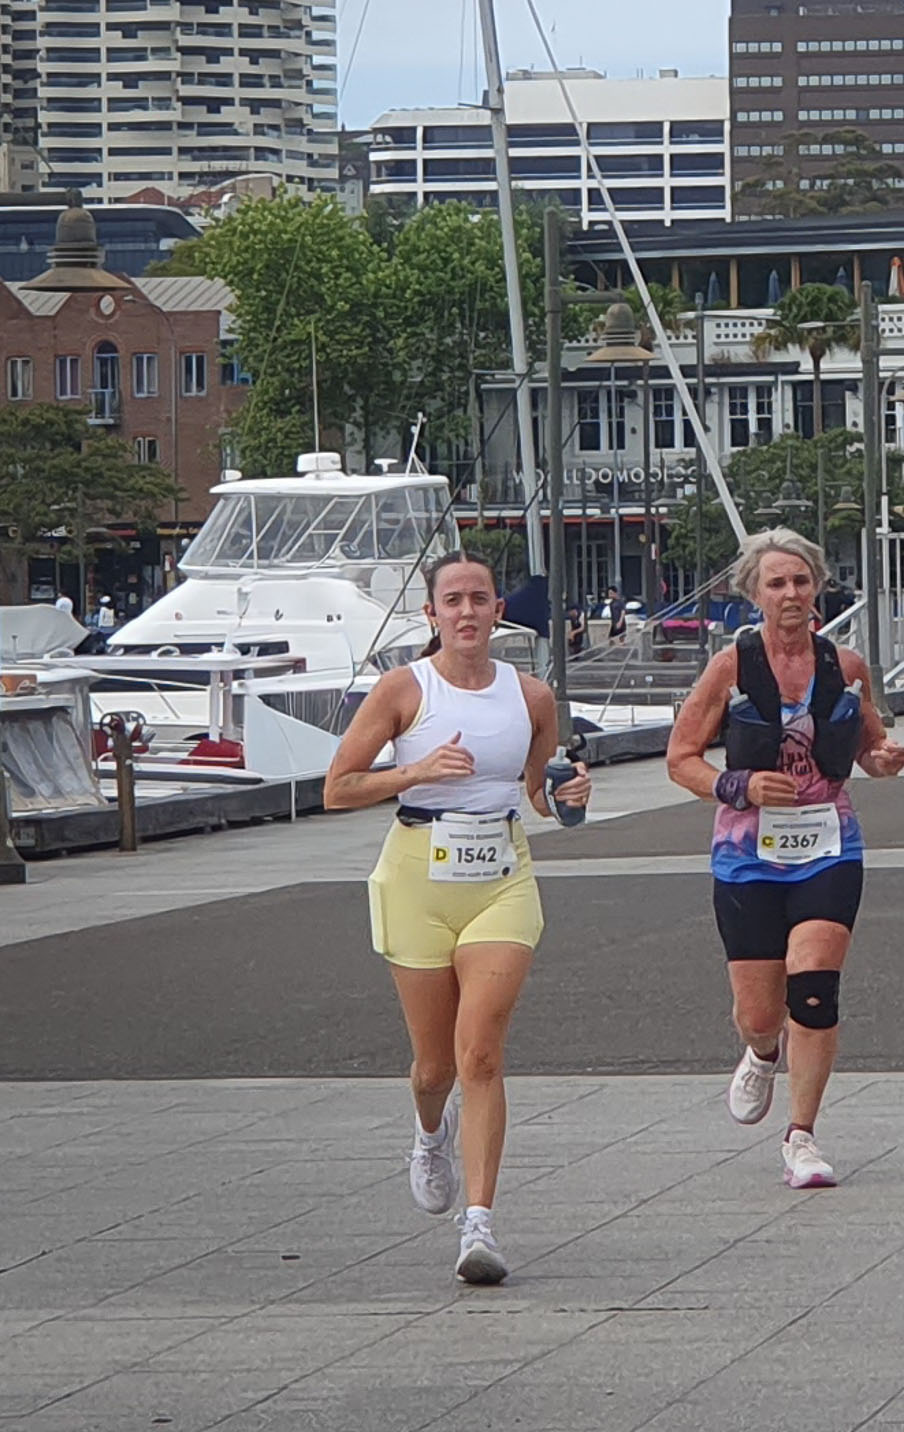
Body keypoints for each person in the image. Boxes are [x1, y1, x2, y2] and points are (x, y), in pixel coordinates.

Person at [323, 551, 590, 1286]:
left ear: (498, 609)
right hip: (418, 876)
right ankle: (428, 1130)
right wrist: (415, 771)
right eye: (453, 600)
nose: (467, 612)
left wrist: (570, 799)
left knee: (482, 1053)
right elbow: (337, 788)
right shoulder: (404, 690)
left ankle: (480, 1224)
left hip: (501, 879)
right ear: (431, 614)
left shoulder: (532, 696)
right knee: (435, 1065)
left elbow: (539, 794)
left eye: (479, 598)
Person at [667, 527, 904, 1190]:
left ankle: (801, 1136)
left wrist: (882, 760)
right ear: (754, 594)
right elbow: (680, 758)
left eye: (801, 580)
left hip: (829, 843)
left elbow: (870, 745)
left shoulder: (845, 665)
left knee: (815, 981)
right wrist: (736, 784)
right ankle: (763, 1049)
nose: (792, 593)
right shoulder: (731, 668)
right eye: (777, 583)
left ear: (818, 586)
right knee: (760, 1010)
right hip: (747, 853)